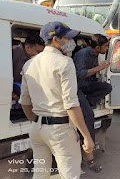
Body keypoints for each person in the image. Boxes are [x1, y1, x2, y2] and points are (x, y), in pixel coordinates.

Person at [19, 21, 95, 179]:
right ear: (56, 39)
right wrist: (87, 136)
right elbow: (71, 105)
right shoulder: (65, 63)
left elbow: (25, 101)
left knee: (40, 174)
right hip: (60, 130)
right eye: (68, 38)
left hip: (37, 129)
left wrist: (36, 122)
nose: (70, 42)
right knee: (69, 175)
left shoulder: (29, 64)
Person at [73, 34, 112, 172]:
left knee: (107, 87)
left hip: (87, 87)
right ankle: (88, 154)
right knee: (88, 115)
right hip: (77, 88)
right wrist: (99, 68)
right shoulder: (83, 54)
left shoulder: (95, 55)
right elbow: (79, 74)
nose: (107, 48)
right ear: (97, 47)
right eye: (106, 46)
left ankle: (88, 101)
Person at [11, 35, 45, 111]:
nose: (40, 55)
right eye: (38, 52)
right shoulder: (15, 53)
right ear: (27, 48)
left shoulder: (34, 57)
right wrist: (14, 95)